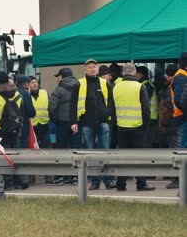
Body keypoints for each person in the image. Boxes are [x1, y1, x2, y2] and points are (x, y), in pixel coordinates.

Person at [70, 59, 115, 190]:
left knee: (105, 152)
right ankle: (95, 181)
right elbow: (73, 104)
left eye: (94, 67)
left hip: (103, 122)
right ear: (85, 69)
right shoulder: (79, 84)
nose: (92, 69)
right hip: (86, 123)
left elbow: (111, 102)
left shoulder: (104, 83)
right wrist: (74, 121)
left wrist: (108, 115)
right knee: (90, 152)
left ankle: (108, 180)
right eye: (90, 67)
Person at [112, 63, 155, 191]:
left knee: (123, 157)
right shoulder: (139, 86)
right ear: (134, 73)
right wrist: (145, 126)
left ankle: (121, 184)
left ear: (123, 73)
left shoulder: (116, 87)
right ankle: (141, 183)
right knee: (139, 157)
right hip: (138, 127)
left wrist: (117, 124)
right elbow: (146, 109)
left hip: (121, 127)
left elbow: (111, 108)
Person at [0, 71, 24, 190]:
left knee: (3, 158)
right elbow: (22, 113)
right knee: (15, 156)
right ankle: (20, 180)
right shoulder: (18, 95)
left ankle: (7, 183)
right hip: (15, 131)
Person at [48, 68, 81, 185]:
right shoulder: (80, 86)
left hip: (62, 123)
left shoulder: (59, 90)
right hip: (77, 123)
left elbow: (52, 108)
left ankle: (61, 176)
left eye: (58, 76)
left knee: (61, 149)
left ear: (61, 77)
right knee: (75, 149)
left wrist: (55, 120)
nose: (57, 78)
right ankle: (76, 176)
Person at [159, 64, 180, 189]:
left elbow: (169, 106)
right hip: (177, 124)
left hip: (173, 125)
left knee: (176, 152)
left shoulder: (171, 86)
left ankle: (178, 179)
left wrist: (163, 122)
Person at [136, 66, 159, 148]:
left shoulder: (146, 85)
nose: (134, 75)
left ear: (140, 74)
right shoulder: (146, 84)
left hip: (149, 117)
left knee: (146, 142)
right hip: (150, 117)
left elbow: (143, 103)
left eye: (136, 73)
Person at [172, 52, 187, 148]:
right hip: (183, 116)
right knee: (184, 146)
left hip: (183, 115)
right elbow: (179, 100)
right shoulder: (181, 77)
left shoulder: (182, 75)